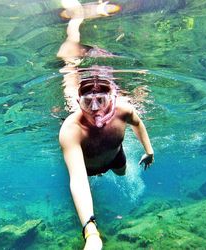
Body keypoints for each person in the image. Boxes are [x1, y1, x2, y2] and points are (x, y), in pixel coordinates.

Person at [58, 1, 154, 249]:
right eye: (88, 101)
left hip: (115, 156)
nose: (96, 110)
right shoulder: (71, 129)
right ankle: (75, 19)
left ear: (113, 97)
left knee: (122, 173)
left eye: (102, 100)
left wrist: (149, 150)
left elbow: (139, 123)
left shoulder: (123, 109)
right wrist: (91, 231)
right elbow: (77, 179)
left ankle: (85, 18)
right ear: (79, 101)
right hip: (88, 169)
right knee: (88, 184)